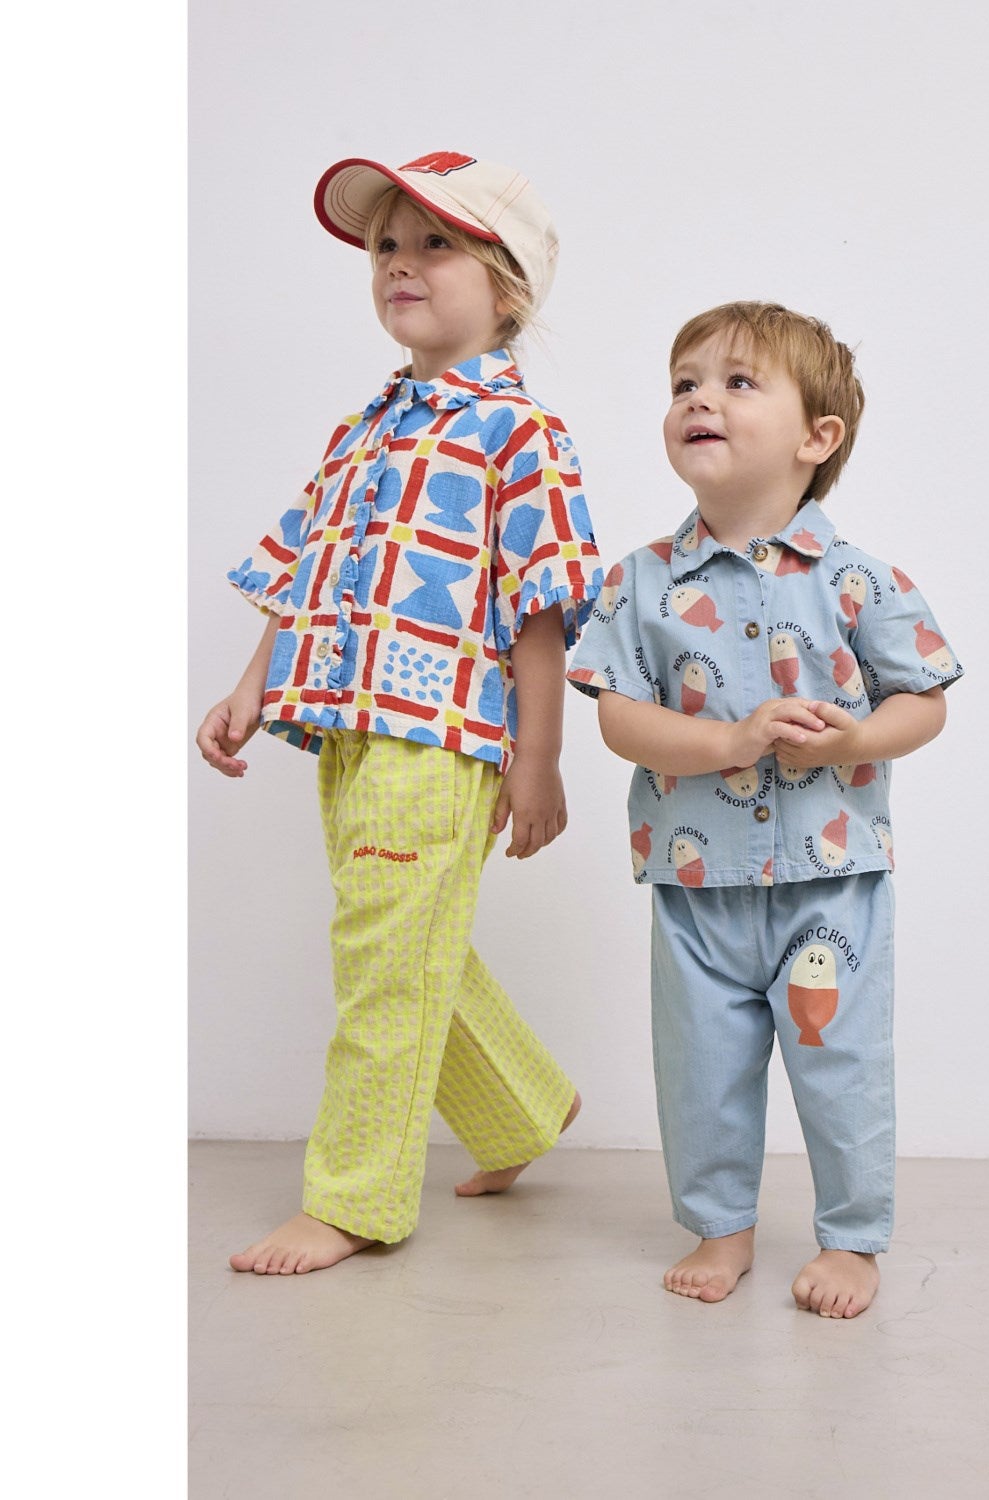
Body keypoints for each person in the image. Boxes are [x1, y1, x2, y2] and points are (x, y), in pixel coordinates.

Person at [196, 152, 602, 1274]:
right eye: (385, 246)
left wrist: (539, 759)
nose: (399, 265)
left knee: (382, 954)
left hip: (440, 733)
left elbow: (540, 610)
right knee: (404, 936)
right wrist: (252, 686)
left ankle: (354, 1198)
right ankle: (523, 1104)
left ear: (508, 287)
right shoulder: (360, 429)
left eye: (435, 245)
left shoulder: (520, 436)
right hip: (342, 723)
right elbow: (307, 569)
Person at [567, 301, 962, 1317]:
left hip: (833, 879)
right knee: (701, 1067)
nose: (699, 398)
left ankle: (853, 1240)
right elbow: (618, 718)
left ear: (816, 437)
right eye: (684, 383)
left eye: (738, 382)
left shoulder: (859, 578)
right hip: (696, 883)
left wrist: (856, 740)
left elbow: (923, 701)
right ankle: (720, 1225)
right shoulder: (639, 583)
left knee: (842, 1065)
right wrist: (730, 743)